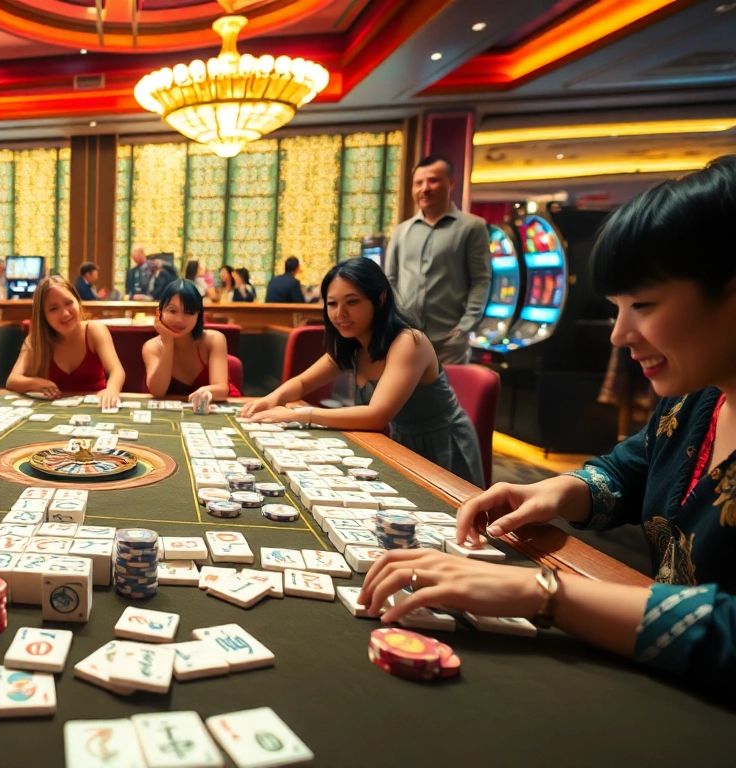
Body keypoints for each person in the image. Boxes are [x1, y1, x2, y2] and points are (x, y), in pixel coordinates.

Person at [361, 156, 736, 708]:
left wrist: (544, 592)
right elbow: (630, 468)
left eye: (645, 306)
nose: (620, 335)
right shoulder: (699, 398)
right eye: (616, 309)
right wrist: (551, 491)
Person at [240, 257, 483, 485]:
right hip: (398, 445)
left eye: (352, 302)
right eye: (332, 304)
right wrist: (271, 399)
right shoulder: (352, 343)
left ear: (379, 299)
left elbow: (376, 416)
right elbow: (303, 383)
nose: (340, 314)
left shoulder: (409, 341)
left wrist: (298, 415)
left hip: (444, 449)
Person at [384, 155, 492, 364]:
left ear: (451, 183)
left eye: (432, 180)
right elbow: (390, 280)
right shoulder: (401, 231)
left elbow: (481, 280)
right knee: (405, 396)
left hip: (448, 340)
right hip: (405, 337)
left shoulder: (472, 227)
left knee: (445, 396)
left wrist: (465, 326)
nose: (425, 188)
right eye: (418, 183)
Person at [7, 275, 124, 406]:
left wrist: (112, 390)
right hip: (54, 411)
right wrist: (37, 383)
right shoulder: (36, 340)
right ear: (43, 315)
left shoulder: (94, 330)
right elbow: (12, 380)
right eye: (53, 309)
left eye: (69, 303)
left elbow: (117, 371)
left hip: (96, 407)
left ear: (78, 302)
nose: (65, 314)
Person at [143, 279, 240, 402]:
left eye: (188, 312)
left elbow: (222, 389)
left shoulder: (214, 340)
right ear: (159, 312)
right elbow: (158, 391)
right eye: (172, 311)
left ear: (198, 315)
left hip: (216, 406)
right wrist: (168, 342)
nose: (179, 319)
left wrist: (206, 392)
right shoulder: (152, 347)